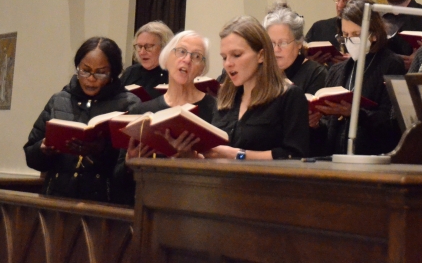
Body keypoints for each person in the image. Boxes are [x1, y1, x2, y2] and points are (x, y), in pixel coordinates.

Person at [174, 16, 309, 160]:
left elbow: (294, 155)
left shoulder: (289, 96)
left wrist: (237, 154)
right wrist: (191, 156)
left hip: (266, 182)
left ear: (261, 56)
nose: (228, 64)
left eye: (236, 55)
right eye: (224, 57)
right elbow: (216, 158)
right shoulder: (225, 99)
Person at [23, 37, 140, 202]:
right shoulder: (59, 100)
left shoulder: (129, 104)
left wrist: (100, 151)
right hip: (58, 199)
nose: (91, 78)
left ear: (113, 72)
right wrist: (42, 150)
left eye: (100, 72)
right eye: (85, 70)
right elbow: (30, 156)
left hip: (105, 203)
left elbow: (128, 170)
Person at [115, 30, 216, 204]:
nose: (187, 60)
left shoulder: (216, 110)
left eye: (197, 56)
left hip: (196, 205)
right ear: (167, 58)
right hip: (149, 204)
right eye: (182, 51)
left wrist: (194, 159)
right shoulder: (141, 111)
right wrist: (129, 163)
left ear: (202, 68)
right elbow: (118, 180)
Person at [310, 0, 406, 156]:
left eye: (356, 34)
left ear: (374, 34)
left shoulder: (391, 64)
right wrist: (316, 125)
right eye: (345, 35)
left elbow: (391, 124)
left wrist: (355, 113)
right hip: (335, 159)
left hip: (372, 158)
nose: (350, 41)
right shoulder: (337, 70)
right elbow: (329, 129)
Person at [265, 0, 327, 94]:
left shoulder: (316, 74)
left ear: (299, 43)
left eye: (283, 43)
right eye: (271, 43)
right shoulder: (261, 71)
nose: (276, 49)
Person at [305, 0, 366, 65]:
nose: (340, 5)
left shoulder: (370, 30)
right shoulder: (319, 28)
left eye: (346, 0)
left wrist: (356, 62)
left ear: (362, 0)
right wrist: (310, 62)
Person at [120, 21, 174, 100]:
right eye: (139, 46)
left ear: (165, 47)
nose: (142, 52)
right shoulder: (130, 72)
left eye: (148, 46)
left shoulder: (175, 75)